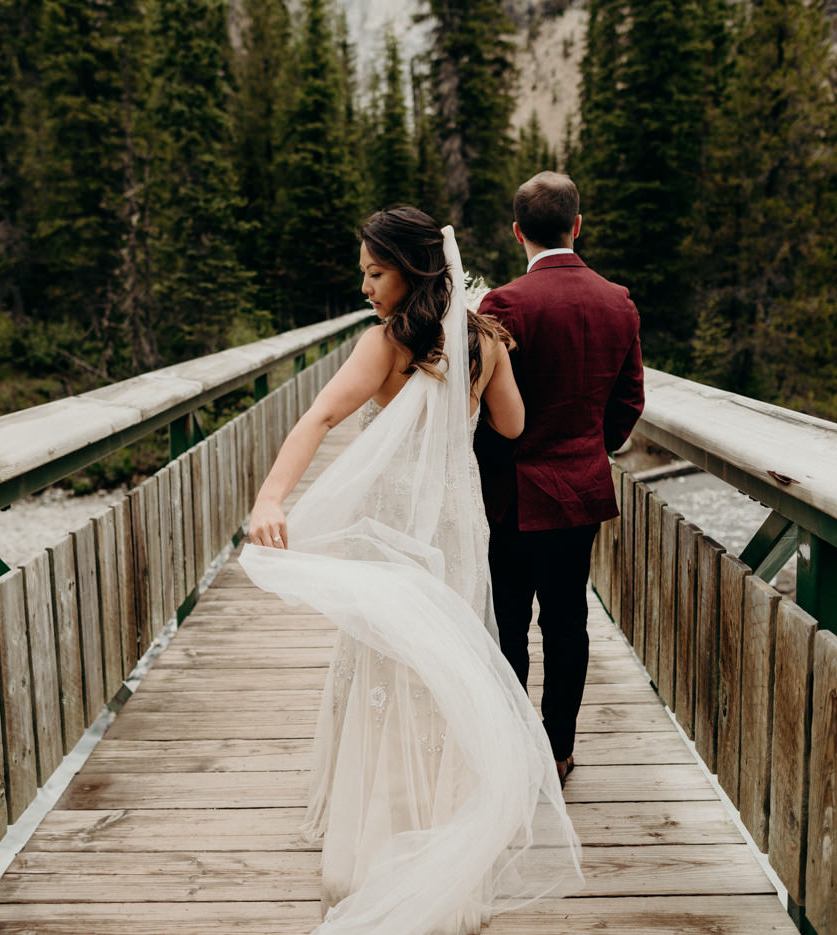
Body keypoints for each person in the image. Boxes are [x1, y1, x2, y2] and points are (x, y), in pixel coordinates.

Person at [240, 207, 582, 935]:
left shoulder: (387, 344)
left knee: (388, 672)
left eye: (374, 271)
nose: (365, 285)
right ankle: (441, 844)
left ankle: (376, 854)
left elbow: (321, 419)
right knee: (442, 676)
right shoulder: (482, 341)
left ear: (412, 269)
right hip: (457, 539)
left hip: (395, 535)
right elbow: (515, 425)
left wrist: (272, 497)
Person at [474, 171, 645, 788]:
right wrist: (588, 451)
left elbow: (481, 405)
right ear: (578, 225)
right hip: (579, 491)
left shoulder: (504, 303)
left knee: (509, 623)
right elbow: (629, 400)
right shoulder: (617, 300)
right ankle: (558, 753)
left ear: (517, 231)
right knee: (568, 622)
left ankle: (512, 748)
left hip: (512, 494)